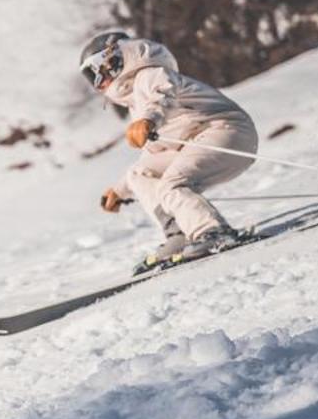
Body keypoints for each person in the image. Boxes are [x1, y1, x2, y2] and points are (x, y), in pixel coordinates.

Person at [80, 29, 259, 268]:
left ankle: (212, 232)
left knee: (172, 184)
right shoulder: (135, 101)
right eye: (91, 78)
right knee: (140, 174)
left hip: (226, 132)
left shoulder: (150, 75)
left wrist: (149, 120)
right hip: (196, 141)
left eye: (96, 73)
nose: (99, 83)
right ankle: (179, 234)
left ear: (112, 60)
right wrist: (120, 191)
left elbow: (161, 95)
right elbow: (154, 154)